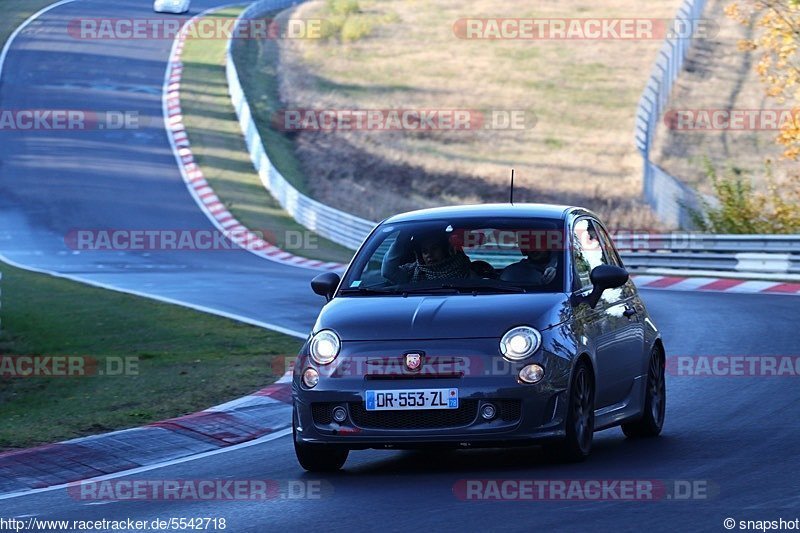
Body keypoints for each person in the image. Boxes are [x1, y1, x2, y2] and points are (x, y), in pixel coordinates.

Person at [382, 230, 473, 284]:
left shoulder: (465, 271)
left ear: (445, 249)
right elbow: (388, 271)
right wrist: (404, 235)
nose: (429, 254)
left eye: (434, 248)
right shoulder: (412, 273)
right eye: (425, 251)